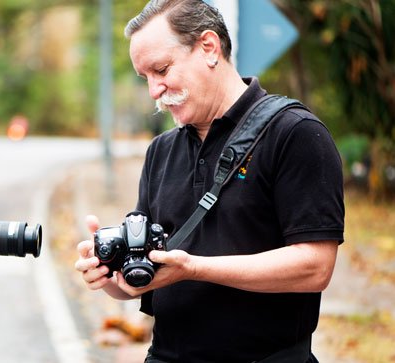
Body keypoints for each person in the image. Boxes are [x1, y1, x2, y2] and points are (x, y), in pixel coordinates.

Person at [74, 1, 344, 362]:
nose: (154, 90)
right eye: (146, 78)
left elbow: (315, 267)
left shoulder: (295, 133)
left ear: (209, 48)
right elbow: (146, 280)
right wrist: (108, 277)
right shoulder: (160, 150)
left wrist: (194, 269)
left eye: (161, 69)